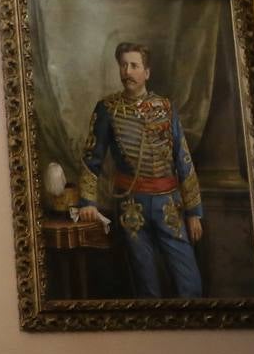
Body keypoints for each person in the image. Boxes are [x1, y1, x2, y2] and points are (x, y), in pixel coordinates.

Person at [77, 42, 204, 297]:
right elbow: (93, 157)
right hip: (131, 205)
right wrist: (86, 202)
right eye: (123, 66)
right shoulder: (107, 109)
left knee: (189, 284)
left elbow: (184, 159)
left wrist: (193, 212)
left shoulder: (166, 108)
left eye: (134, 66)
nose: (127, 72)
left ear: (146, 72)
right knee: (146, 284)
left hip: (169, 204)